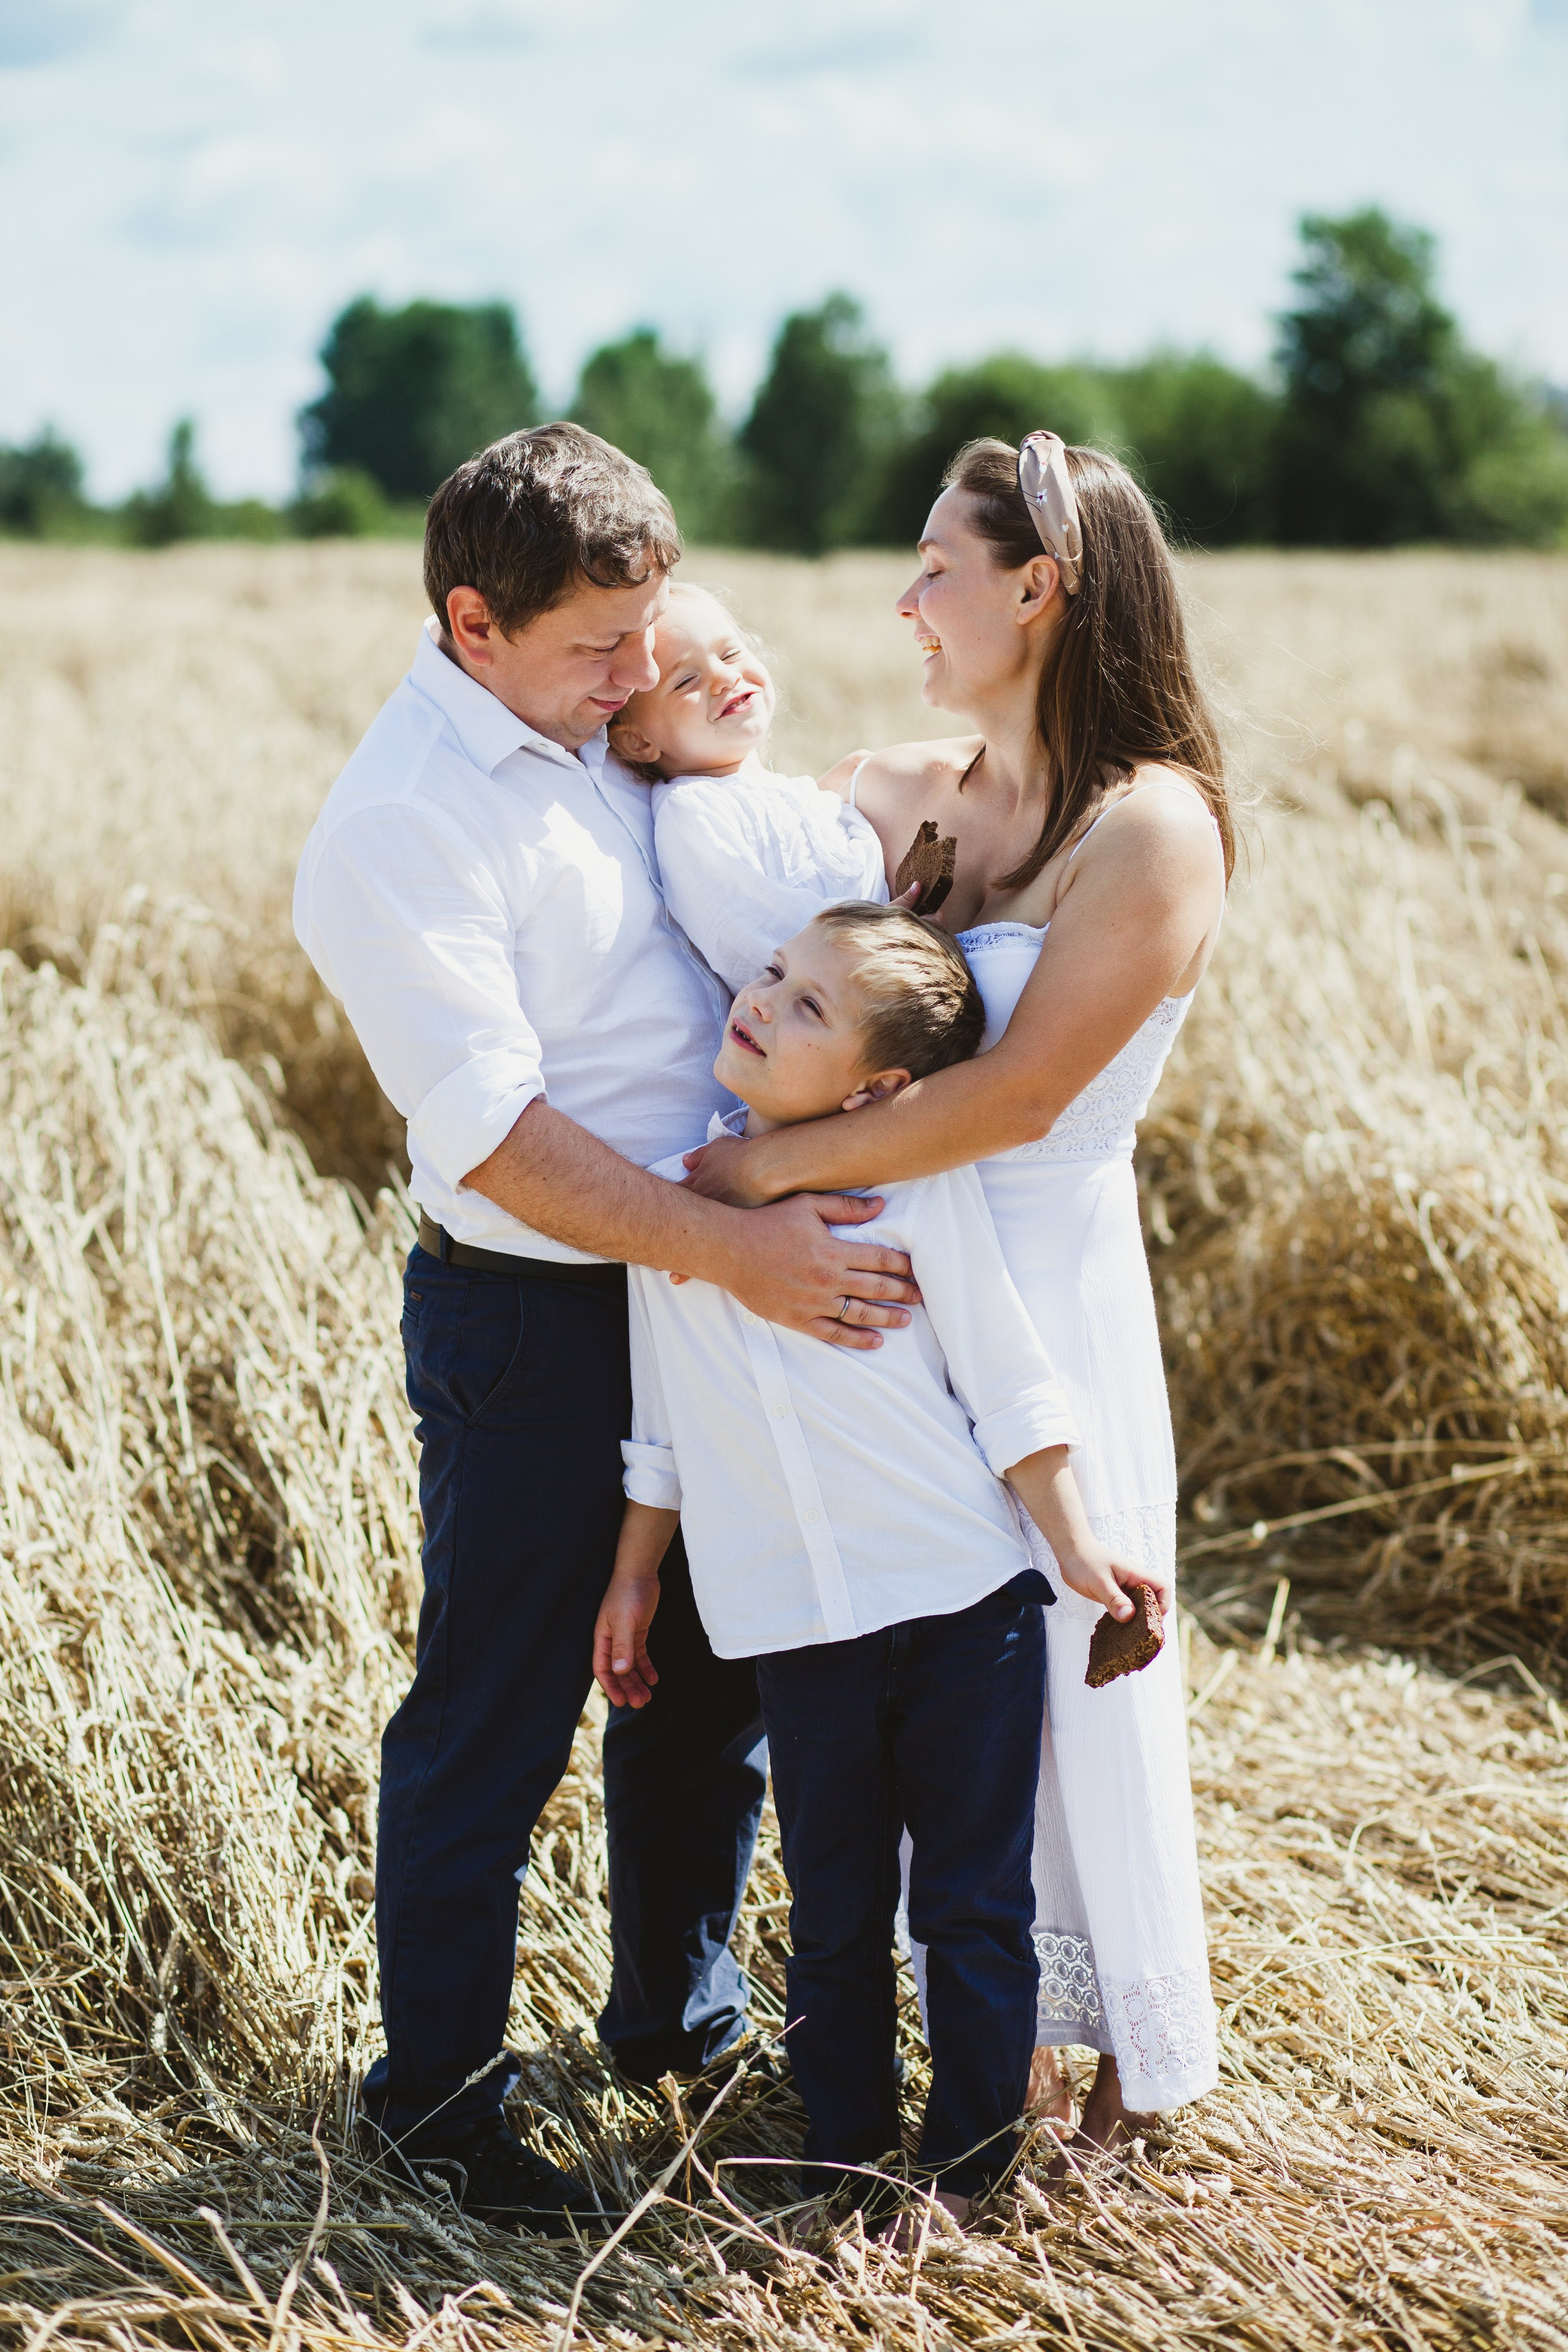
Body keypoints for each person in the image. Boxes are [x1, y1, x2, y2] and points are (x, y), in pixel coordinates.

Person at [292, 424, 923, 2233]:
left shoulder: (585, 727)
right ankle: (438, 2096)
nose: (635, 673)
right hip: (538, 1313)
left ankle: (675, 2013)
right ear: (470, 622)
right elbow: (493, 1137)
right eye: (596, 646)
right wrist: (737, 1253)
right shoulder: (402, 822)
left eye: (648, 630)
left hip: (691, 1281)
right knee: (495, 1712)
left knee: (705, 1684)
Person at [683, 432, 1232, 2152]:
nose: (907, 599)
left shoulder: (1154, 828)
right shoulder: (894, 787)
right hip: (884, 1305)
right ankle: (988, 2061)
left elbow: (1015, 1096)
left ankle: (1120, 2094)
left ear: (1036, 587)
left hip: (1039, 1289)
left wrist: (747, 1183)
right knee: (928, 1664)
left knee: (1064, 1664)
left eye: (937, 566)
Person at [592, 903, 1165, 2230]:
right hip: (792, 1621)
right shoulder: (673, 1198)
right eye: (775, 974)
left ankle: (969, 2172)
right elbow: (660, 1427)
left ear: (879, 1090)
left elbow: (1006, 1381)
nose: (762, 999)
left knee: (970, 1903)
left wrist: (1076, 1548)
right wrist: (634, 1573)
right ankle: (845, 2162)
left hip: (964, 1599)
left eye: (807, 1008)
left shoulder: (918, 1187)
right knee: (833, 1909)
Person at [606, 581, 886, 992]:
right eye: (686, 681)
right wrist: (882, 929)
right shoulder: (691, 811)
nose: (723, 677)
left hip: (884, 976)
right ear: (640, 741)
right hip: (822, 1008)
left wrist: (844, 797)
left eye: (730, 653)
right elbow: (748, 932)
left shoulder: (800, 793)